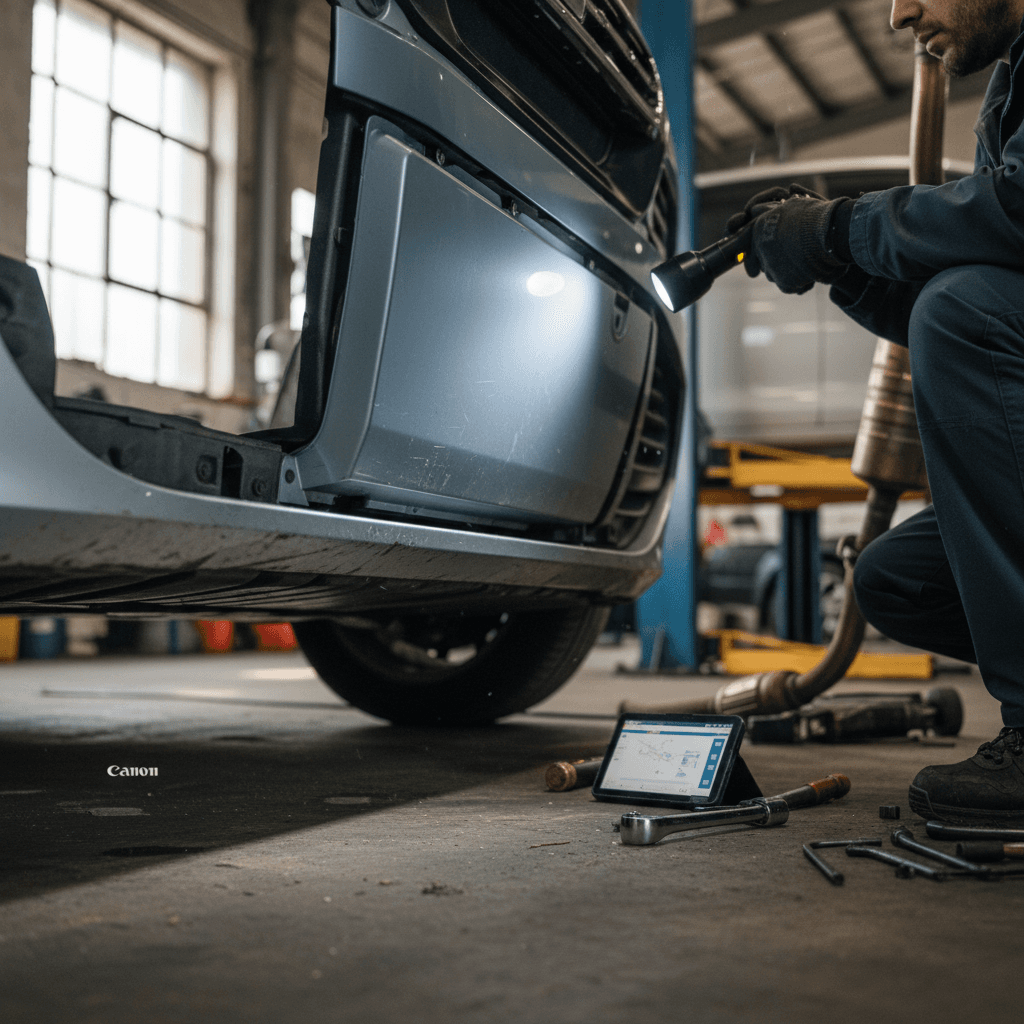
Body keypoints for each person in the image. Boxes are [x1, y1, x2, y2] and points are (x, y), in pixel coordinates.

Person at [730, 0, 1024, 823]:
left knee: (960, 310)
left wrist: (840, 225)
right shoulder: (1010, 89)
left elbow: (1011, 220)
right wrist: (838, 265)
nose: (900, 14)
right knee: (896, 579)